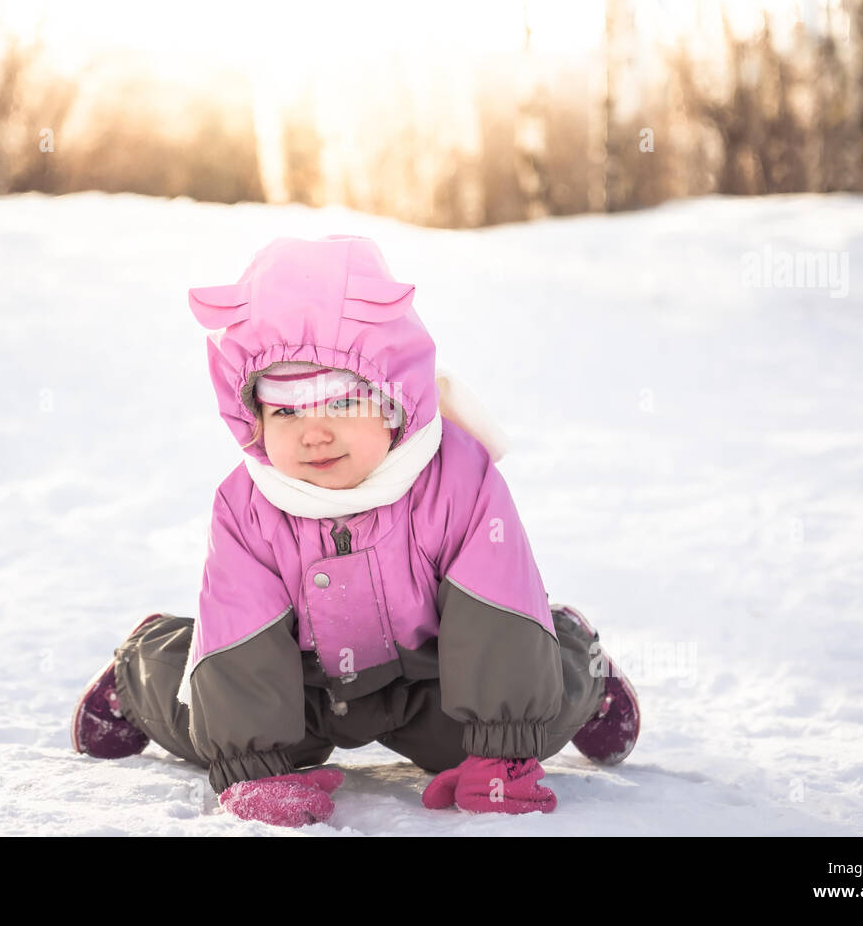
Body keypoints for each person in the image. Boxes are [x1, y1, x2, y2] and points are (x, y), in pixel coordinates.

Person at [72, 234, 639, 827]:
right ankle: (144, 667)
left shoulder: (457, 480)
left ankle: (579, 661)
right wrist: (256, 769)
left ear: (393, 399)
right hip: (303, 685)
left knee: (512, 722)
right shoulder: (248, 506)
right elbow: (242, 637)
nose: (313, 434)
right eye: (286, 412)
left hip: (435, 670)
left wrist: (502, 748)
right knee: (215, 723)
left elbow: (494, 606)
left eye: (338, 404)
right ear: (254, 416)